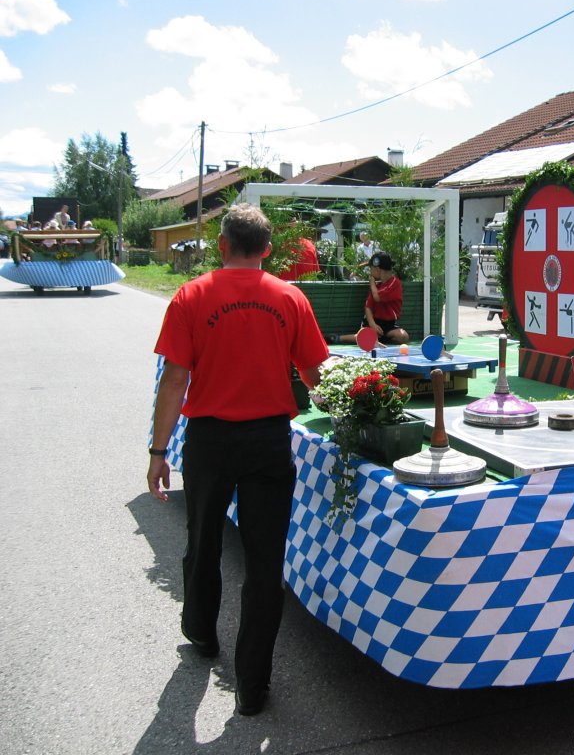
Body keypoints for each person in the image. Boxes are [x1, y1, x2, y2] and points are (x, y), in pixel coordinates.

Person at [147, 204, 329, 717]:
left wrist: (159, 452)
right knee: (265, 562)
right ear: (268, 250)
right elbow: (317, 374)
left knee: (202, 543)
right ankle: (253, 684)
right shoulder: (290, 297)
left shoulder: (191, 295)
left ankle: (202, 635)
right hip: (269, 440)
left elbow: (174, 379)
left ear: (222, 245)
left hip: (208, 441)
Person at [340, 251, 410, 344]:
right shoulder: (377, 285)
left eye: (371, 269)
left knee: (403, 336)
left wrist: (372, 284)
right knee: (368, 338)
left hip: (389, 324)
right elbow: (368, 307)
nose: (370, 272)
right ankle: (339, 338)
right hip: (373, 322)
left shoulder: (394, 283)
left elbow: (377, 297)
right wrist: (373, 324)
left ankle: (378, 339)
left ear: (377, 269)